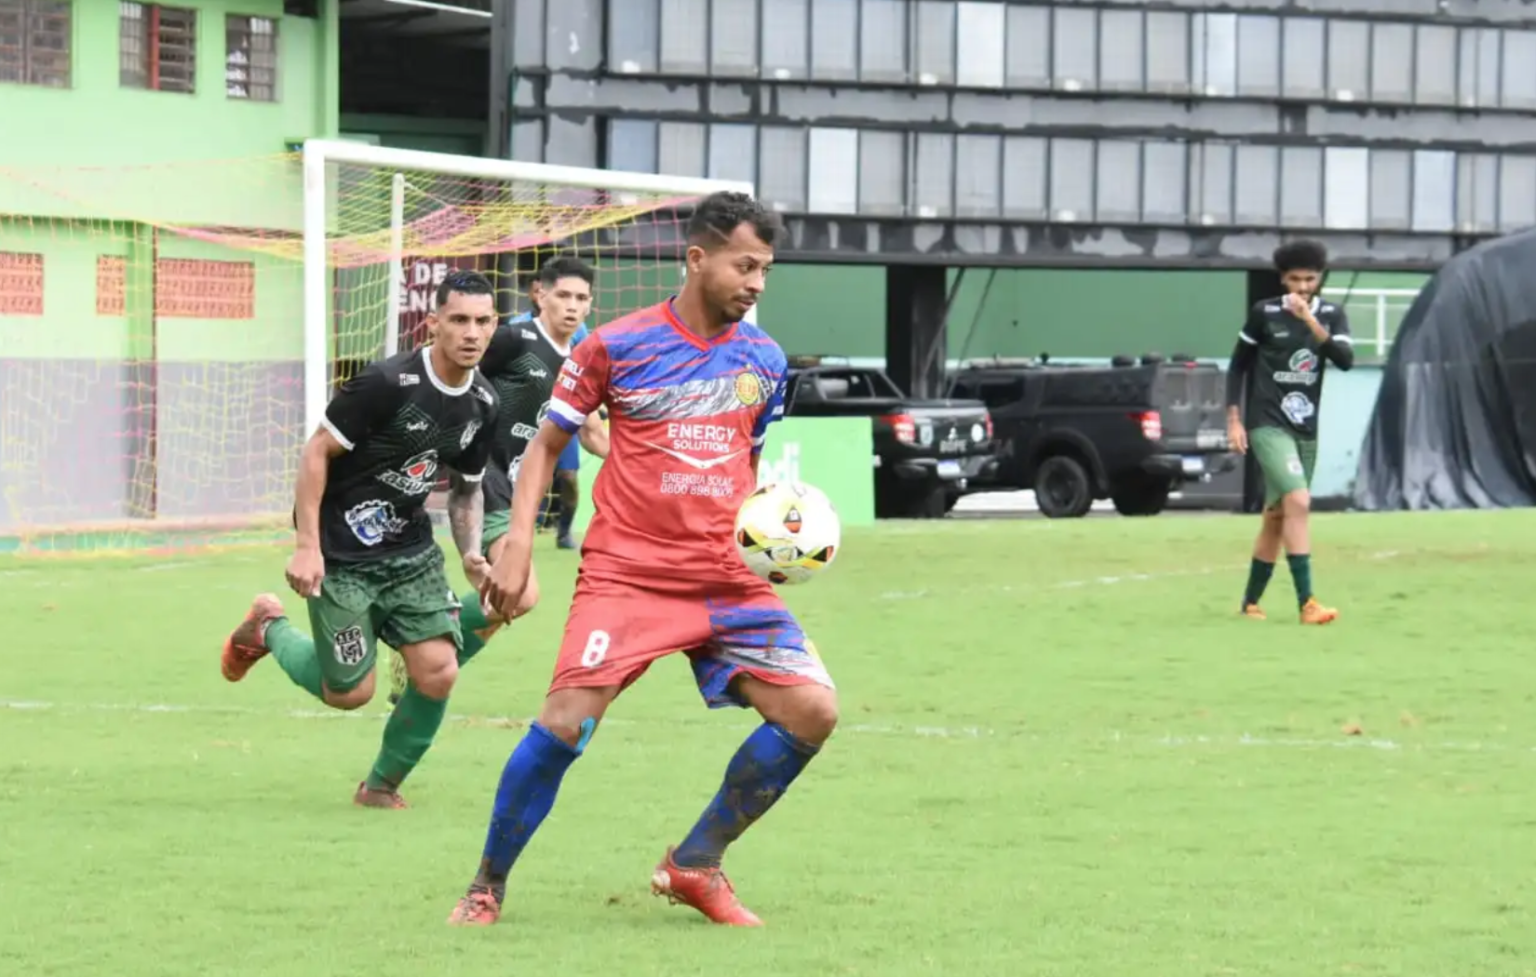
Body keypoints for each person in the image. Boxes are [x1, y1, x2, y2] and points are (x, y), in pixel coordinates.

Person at [447, 191, 837, 929]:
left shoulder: (767, 359)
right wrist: (520, 540)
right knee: (563, 723)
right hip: (628, 573)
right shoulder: (616, 345)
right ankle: (487, 884)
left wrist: (773, 531)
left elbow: (743, 462)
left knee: (814, 709)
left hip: (725, 575)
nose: (757, 282)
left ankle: (695, 862)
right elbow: (546, 446)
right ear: (698, 258)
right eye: (745, 265)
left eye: (766, 270)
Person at [219, 269, 501, 807]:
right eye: (459, 319)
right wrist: (307, 544)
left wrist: (470, 554)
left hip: (411, 555)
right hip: (342, 554)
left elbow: (466, 490)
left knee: (439, 671)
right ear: (434, 322)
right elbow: (316, 452)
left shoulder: (482, 403)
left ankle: (380, 786)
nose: (471, 332)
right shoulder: (387, 383)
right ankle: (267, 626)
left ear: (494, 325)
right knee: (350, 693)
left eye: (483, 321)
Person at [1225, 240, 1355, 624]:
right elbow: (1237, 367)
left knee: (1278, 515)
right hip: (1268, 424)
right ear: (1282, 279)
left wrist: (1310, 322)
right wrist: (1234, 420)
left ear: (1319, 279)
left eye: (1309, 279)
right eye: (1294, 279)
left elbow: (1345, 361)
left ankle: (1250, 601)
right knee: (1298, 500)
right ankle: (1308, 604)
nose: (1301, 287)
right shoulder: (1264, 314)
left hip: (1305, 429)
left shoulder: (1331, 314)